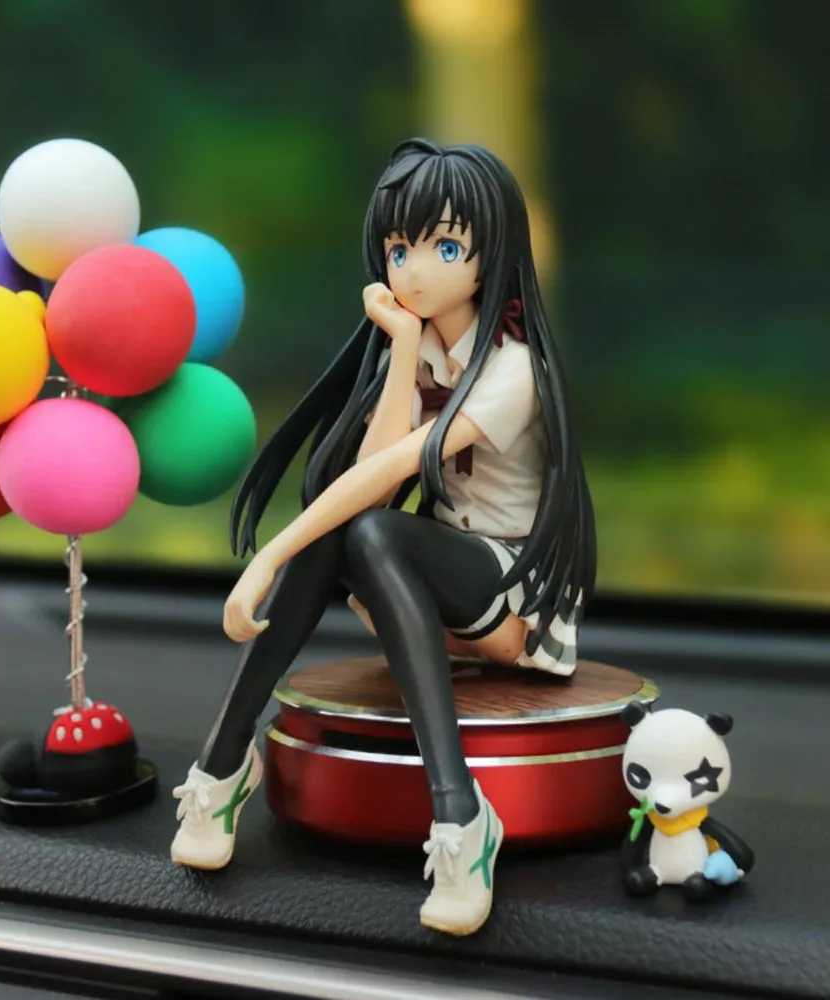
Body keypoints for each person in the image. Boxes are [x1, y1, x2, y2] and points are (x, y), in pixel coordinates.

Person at [169, 137, 597, 936]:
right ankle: (223, 763)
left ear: (491, 251)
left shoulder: (514, 370)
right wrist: (402, 348)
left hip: (514, 595)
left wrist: (269, 557)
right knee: (362, 528)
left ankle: (461, 816)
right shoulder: (423, 346)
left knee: (370, 531)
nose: (415, 271)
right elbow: (373, 473)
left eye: (444, 247)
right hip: (434, 573)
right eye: (400, 250)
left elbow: (398, 467)